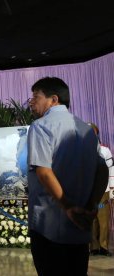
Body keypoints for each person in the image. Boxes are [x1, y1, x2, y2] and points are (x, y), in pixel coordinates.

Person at [27, 77, 101, 276]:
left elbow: (43, 171)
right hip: (80, 225)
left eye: (36, 96)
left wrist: (67, 206)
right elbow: (101, 170)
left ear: (53, 99)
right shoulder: (87, 129)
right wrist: (92, 203)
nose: (31, 101)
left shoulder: (41, 126)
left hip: (48, 225)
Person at [88, 123, 114, 256]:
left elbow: (111, 170)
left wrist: (112, 190)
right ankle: (94, 247)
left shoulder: (105, 151)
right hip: (89, 192)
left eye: (92, 131)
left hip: (103, 191)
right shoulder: (82, 151)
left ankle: (104, 246)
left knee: (103, 220)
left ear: (96, 133)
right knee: (91, 220)